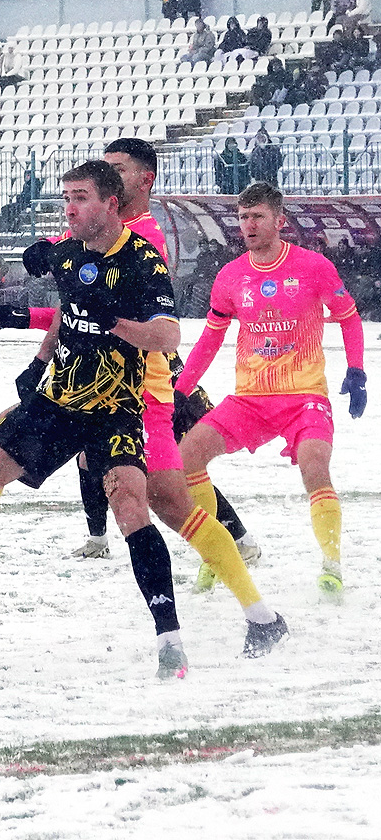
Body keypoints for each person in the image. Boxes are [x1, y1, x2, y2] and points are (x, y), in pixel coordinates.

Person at [0, 160, 193, 678]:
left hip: (114, 409)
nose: (69, 209)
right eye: (66, 198)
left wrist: (114, 321)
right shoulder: (70, 252)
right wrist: (26, 332)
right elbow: (66, 307)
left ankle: (170, 639)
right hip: (56, 403)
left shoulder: (142, 259)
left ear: (110, 204)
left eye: (80, 198)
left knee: (131, 509)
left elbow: (168, 336)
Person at [0, 140, 262, 582]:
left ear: (144, 180)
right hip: (99, 375)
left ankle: (235, 555)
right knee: (144, 475)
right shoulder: (98, 230)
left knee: (168, 485)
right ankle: (100, 538)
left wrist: (40, 348)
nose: (106, 175)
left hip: (140, 382)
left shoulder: (140, 240)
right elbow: (78, 304)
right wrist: (29, 317)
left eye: (118, 169)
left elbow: (112, 317)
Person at [176, 181, 367, 603]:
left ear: (279, 221)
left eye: (257, 216)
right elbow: (210, 338)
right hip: (251, 398)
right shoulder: (230, 276)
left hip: (304, 395)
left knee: (315, 466)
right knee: (187, 457)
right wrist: (181, 390)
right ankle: (215, 553)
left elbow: (349, 317)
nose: (249, 224)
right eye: (243, 217)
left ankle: (332, 566)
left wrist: (356, 370)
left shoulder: (313, 267)